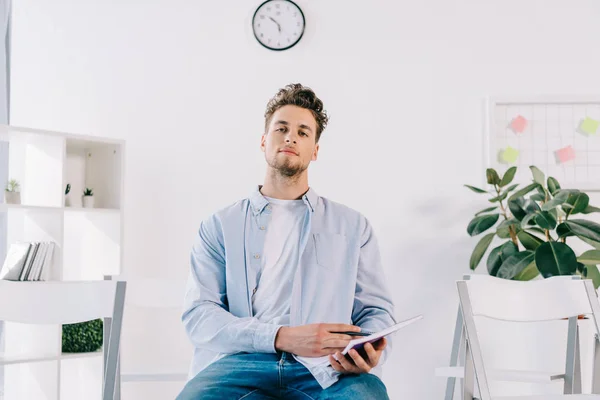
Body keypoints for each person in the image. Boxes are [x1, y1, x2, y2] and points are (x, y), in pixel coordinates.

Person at [177, 83, 397, 400]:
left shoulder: (353, 226)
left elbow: (376, 310)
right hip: (239, 364)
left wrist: (370, 348)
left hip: (328, 369)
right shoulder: (219, 226)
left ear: (315, 150)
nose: (291, 137)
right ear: (264, 140)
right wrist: (281, 337)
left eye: (303, 132)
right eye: (281, 128)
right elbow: (199, 315)